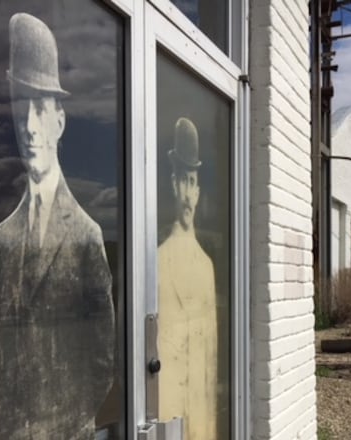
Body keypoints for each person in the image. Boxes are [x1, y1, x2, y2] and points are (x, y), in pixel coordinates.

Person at [0, 12, 114, 439]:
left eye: (40, 109)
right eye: (20, 107)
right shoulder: (1, 240)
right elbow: (4, 373)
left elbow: (102, 362)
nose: (29, 126)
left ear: (59, 121)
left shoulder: (85, 236)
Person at [157, 117, 218, 439]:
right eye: (181, 179)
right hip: (165, 414)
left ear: (198, 190)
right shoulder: (156, 261)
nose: (186, 191)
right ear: (172, 182)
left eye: (192, 180)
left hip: (200, 419)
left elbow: (209, 363)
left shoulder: (206, 266)